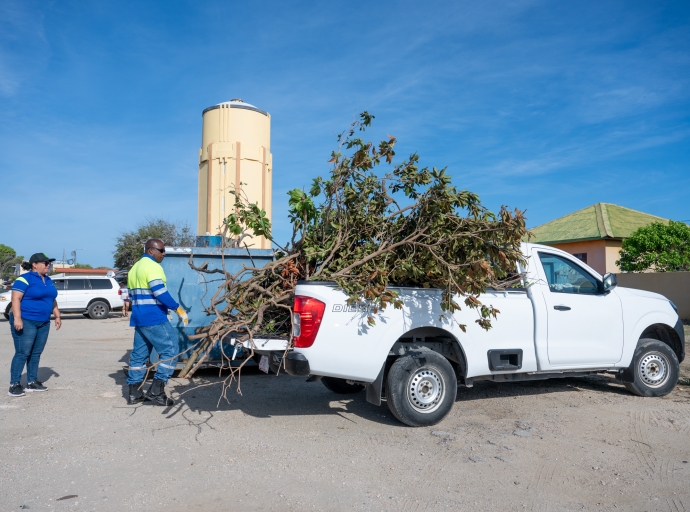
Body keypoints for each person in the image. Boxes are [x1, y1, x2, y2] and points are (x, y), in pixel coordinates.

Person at [126, 239, 188, 406]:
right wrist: (177, 309)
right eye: (161, 250)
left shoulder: (134, 268)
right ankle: (156, 392)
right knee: (172, 350)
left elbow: (129, 296)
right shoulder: (153, 267)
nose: (164, 253)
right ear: (151, 250)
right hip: (153, 317)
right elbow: (159, 291)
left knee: (139, 356)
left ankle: (134, 393)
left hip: (139, 317)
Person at [8, 253, 62, 397]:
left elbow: (52, 299)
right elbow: (15, 298)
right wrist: (17, 319)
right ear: (34, 264)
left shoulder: (48, 280)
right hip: (26, 320)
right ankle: (14, 384)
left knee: (36, 352)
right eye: (45, 263)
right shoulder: (24, 279)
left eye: (49, 263)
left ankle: (32, 381)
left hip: (43, 321)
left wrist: (57, 315)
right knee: (23, 352)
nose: (48, 265)